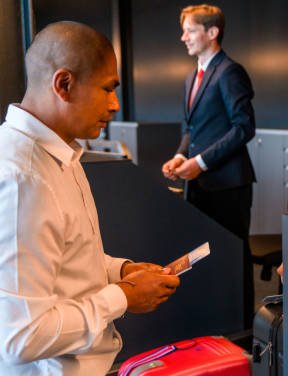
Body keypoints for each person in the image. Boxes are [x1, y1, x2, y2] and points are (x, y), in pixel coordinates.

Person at [0, 21, 180, 375]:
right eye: (107, 88)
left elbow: (67, 259)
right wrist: (124, 296)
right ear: (63, 84)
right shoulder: (24, 178)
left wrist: (120, 270)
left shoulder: (62, 154)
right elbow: (20, 335)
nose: (115, 105)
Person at [161, 4, 256, 328]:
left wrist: (200, 162)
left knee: (233, 254)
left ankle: (242, 327)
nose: (183, 37)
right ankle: (216, 319)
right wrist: (180, 155)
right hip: (200, 183)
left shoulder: (230, 71)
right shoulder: (192, 76)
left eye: (190, 30)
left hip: (228, 182)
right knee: (204, 252)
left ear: (212, 32)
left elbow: (244, 127)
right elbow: (192, 130)